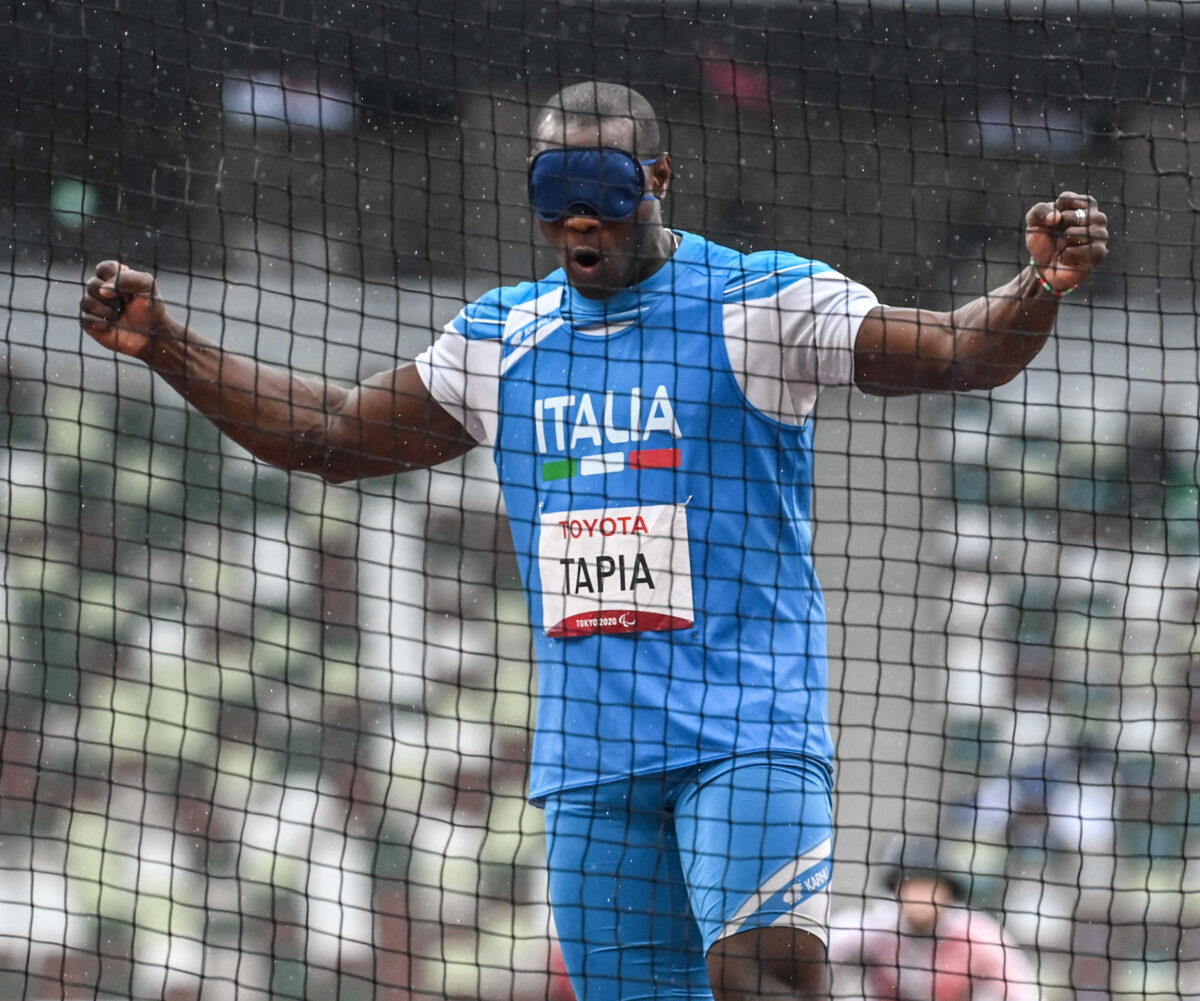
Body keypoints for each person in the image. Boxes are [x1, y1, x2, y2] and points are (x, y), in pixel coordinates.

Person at [78, 82, 1107, 1001]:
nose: (578, 215)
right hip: (591, 760)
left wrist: (1039, 285)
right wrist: (166, 343)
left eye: (604, 186)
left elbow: (964, 351)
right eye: (554, 188)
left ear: (657, 177)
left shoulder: (761, 303)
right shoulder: (499, 338)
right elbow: (328, 436)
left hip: (745, 730)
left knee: (765, 974)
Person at [828, 837, 1039, 1001]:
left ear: (948, 891)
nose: (920, 897)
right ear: (896, 890)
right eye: (912, 886)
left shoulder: (977, 936)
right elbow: (820, 957)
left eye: (929, 886)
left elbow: (1023, 993)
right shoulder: (874, 931)